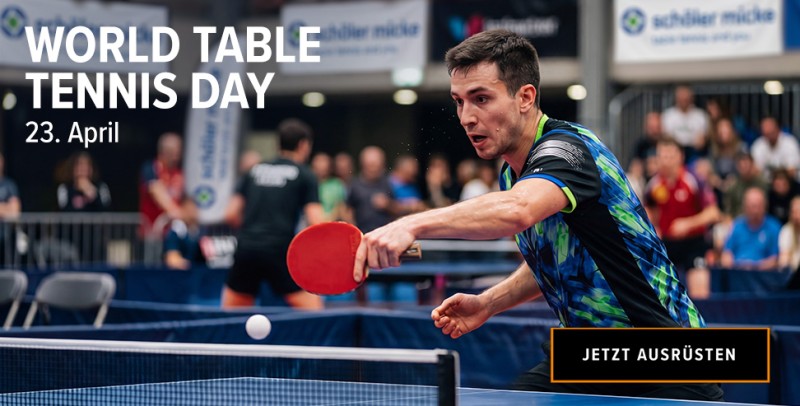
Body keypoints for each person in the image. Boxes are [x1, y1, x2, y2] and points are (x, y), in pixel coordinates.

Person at [352, 30, 723, 401]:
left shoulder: (568, 151)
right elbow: (555, 259)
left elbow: (517, 210)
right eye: (459, 102)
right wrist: (488, 303)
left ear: (525, 97)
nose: (466, 117)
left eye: (481, 99)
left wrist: (411, 223)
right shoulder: (513, 175)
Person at [222, 118, 324, 309]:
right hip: (280, 250)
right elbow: (316, 221)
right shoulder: (305, 174)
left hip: (247, 248)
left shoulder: (254, 171)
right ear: (303, 145)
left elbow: (230, 214)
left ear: (278, 144)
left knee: (231, 316)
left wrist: (254, 229)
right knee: (313, 312)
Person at [644, 139, 720, 299]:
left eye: (670, 156)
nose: (665, 161)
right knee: (659, 295)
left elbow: (713, 213)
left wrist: (688, 224)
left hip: (694, 243)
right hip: (667, 245)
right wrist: (654, 227)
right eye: (662, 156)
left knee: (700, 294)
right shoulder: (654, 184)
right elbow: (648, 210)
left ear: (680, 157)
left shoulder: (694, 180)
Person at [720, 187, 781, 270]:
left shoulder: (774, 227)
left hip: (763, 273)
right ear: (745, 207)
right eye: (752, 206)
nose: (755, 211)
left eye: (758, 206)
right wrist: (729, 262)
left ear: (765, 206)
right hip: (737, 271)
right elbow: (727, 254)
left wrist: (753, 267)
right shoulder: (737, 225)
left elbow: (776, 259)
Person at [139, 132, 185, 235]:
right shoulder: (151, 169)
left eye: (178, 152)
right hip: (152, 233)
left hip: (175, 232)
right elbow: (158, 194)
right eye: (172, 152)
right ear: (163, 151)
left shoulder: (180, 173)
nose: (176, 157)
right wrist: (181, 215)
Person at [661, 85, 709, 161]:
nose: (683, 100)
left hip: (694, 152)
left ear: (691, 98)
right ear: (676, 98)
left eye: (686, 97)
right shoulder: (668, 115)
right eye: (681, 97)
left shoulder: (700, 115)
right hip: (674, 151)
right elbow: (667, 138)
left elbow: (702, 140)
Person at [750, 116, 800, 180]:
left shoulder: (790, 143)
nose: (768, 131)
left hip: (789, 181)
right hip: (766, 182)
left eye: (770, 128)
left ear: (778, 128)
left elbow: (792, 171)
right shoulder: (758, 145)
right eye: (765, 129)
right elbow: (755, 171)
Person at [164, 198, 204, 270]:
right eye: (189, 210)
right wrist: (188, 265)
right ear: (182, 210)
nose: (191, 213)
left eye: (193, 210)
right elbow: (172, 259)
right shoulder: (176, 232)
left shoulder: (200, 232)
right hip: (181, 273)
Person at [311, 152, 347, 222]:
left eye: (324, 162)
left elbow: (340, 207)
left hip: (331, 223)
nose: (321, 165)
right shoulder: (308, 183)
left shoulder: (337, 185)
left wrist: (327, 220)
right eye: (319, 162)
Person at [779, 196, 800, 272]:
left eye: (798, 211)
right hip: (792, 273)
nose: (796, 216)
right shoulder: (786, 231)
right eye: (793, 212)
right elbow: (783, 260)